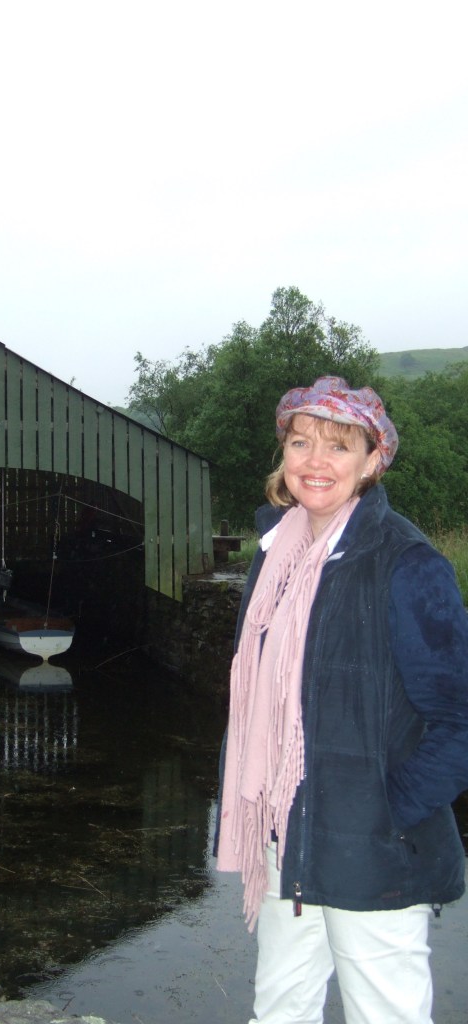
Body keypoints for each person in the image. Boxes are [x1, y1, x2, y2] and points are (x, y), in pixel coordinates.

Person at [214, 376, 468, 1024]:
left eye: (338, 445)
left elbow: (458, 719)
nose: (315, 462)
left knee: (385, 1015)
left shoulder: (407, 564)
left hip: (375, 851)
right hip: (287, 837)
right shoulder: (277, 556)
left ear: (372, 459)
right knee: (279, 1010)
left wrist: (388, 812)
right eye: (301, 442)